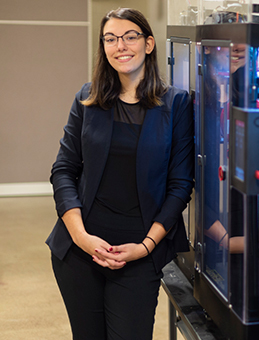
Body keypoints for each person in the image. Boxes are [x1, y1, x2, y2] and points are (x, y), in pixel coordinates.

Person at [46, 8, 193, 340]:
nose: (120, 46)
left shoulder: (176, 104)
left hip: (139, 253)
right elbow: (63, 170)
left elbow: (180, 185)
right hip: (80, 252)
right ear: (103, 47)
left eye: (130, 36)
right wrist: (82, 239)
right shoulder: (88, 98)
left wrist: (144, 246)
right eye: (110, 39)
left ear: (149, 44)